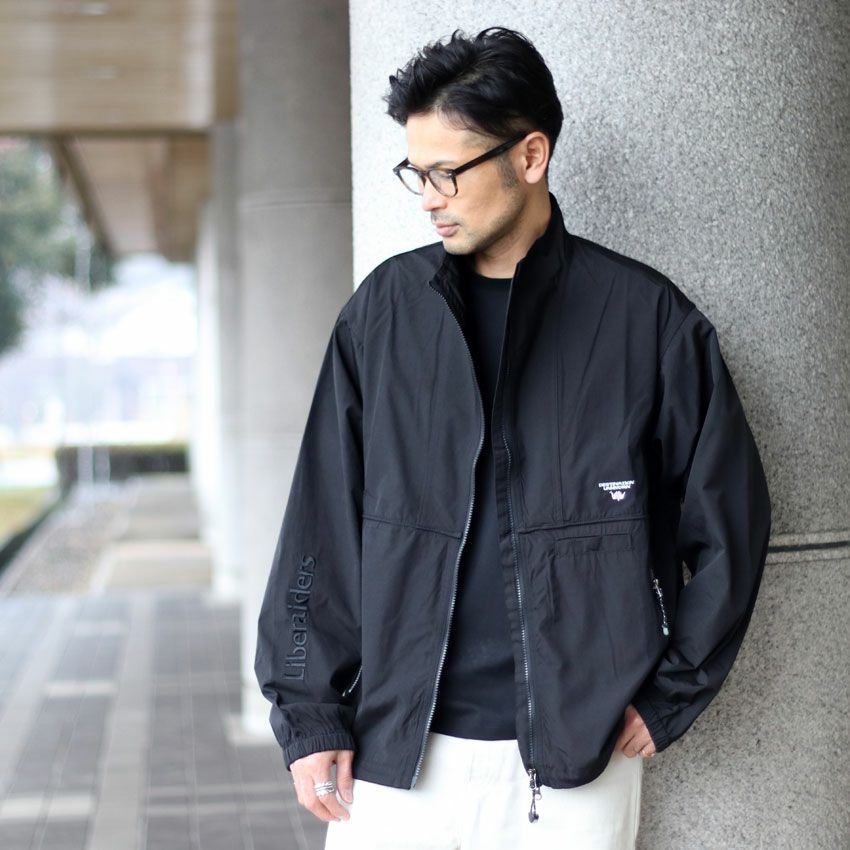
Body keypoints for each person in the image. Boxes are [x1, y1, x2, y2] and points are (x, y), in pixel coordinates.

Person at [254, 26, 772, 850]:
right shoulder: (384, 315)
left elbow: (729, 526)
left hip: (579, 766)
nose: (428, 197)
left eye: (447, 172)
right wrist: (309, 711)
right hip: (396, 756)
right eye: (416, 173)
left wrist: (671, 693)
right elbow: (320, 527)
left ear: (530, 156)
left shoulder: (645, 321)